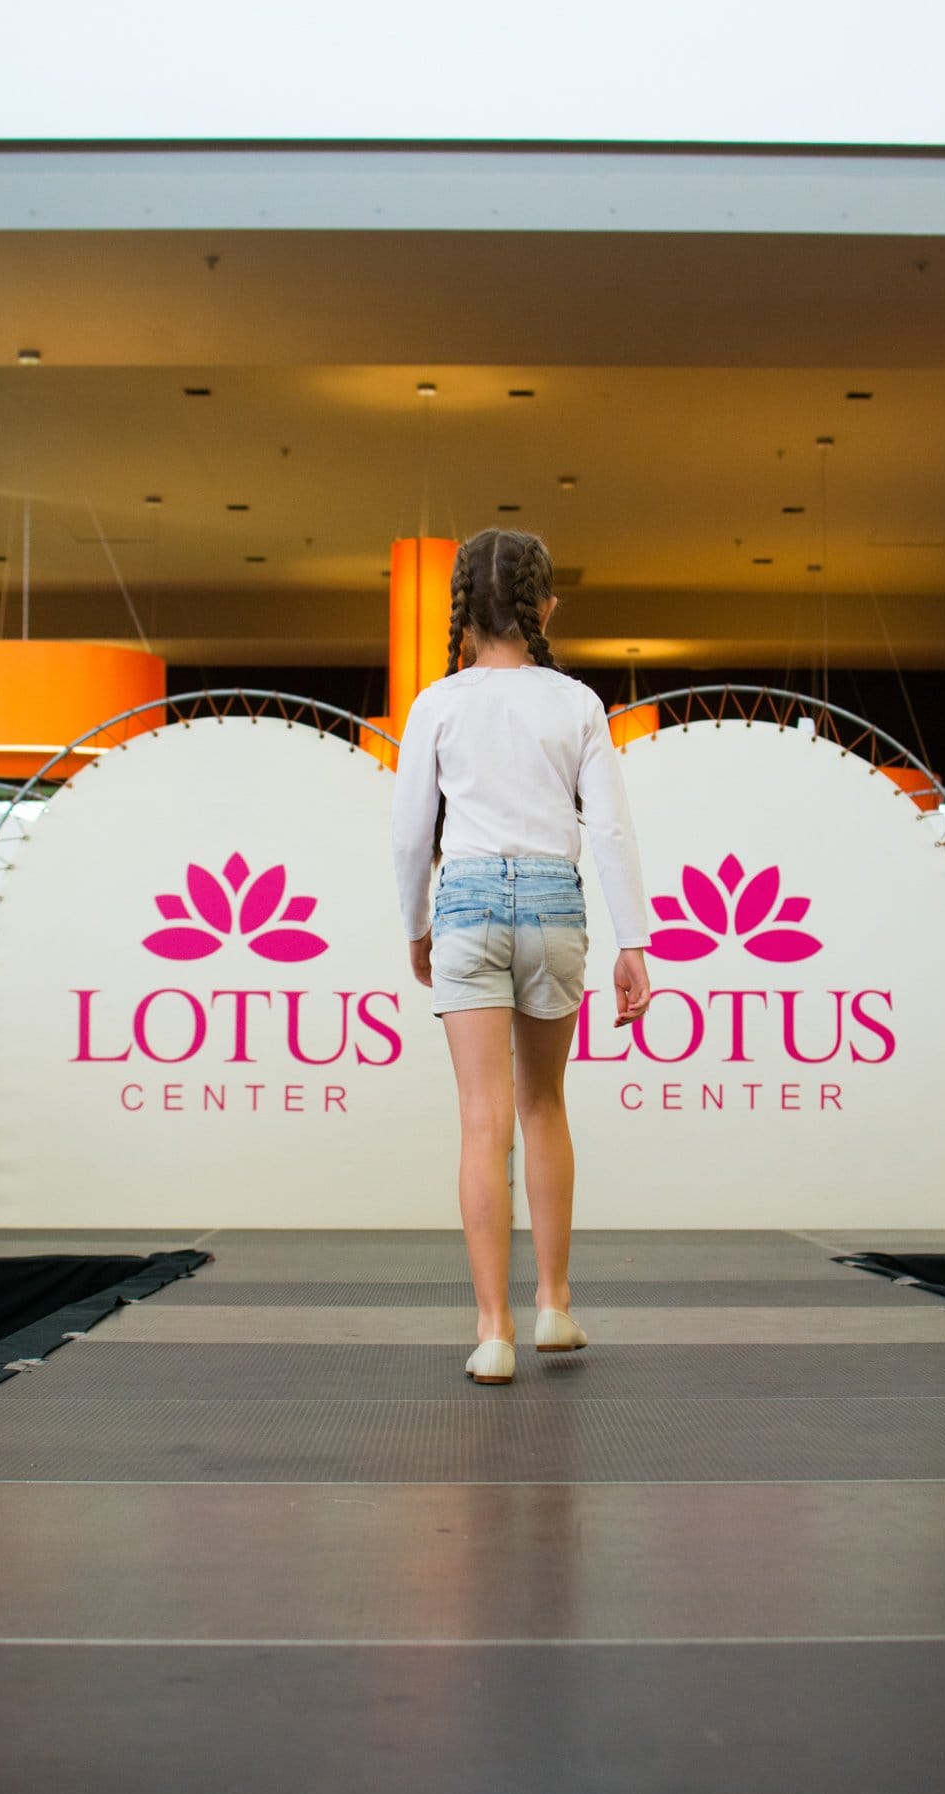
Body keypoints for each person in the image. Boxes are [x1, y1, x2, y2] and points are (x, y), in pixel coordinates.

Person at [391, 527, 652, 1385]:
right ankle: (554, 1307)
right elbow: (610, 830)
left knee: (482, 1120)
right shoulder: (576, 702)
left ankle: (492, 1331)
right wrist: (635, 942)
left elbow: (411, 836)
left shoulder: (437, 703)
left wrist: (417, 925)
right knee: (544, 1106)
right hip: (553, 903)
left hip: (465, 901)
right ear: (547, 607)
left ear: (461, 611)